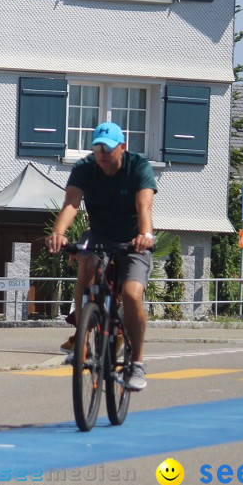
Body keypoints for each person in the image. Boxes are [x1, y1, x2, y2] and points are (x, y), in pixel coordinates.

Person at [44, 121, 157, 391]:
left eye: (107, 148)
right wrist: (58, 232)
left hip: (133, 240)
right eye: (97, 148)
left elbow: (145, 206)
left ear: (122, 147)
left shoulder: (138, 167)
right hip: (99, 235)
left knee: (131, 294)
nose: (102, 154)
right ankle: (82, 341)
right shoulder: (84, 168)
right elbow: (71, 202)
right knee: (86, 262)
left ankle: (137, 363)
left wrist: (145, 236)